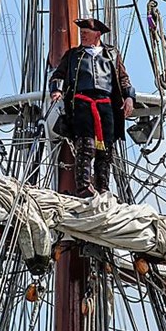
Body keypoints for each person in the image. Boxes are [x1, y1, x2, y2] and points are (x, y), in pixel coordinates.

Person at [49, 18, 135, 197]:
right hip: (82, 102)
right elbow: (59, 74)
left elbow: (123, 79)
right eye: (81, 33)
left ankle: (102, 186)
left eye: (86, 33)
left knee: (106, 148)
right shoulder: (73, 55)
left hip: (106, 104)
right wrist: (56, 90)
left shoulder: (111, 54)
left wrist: (129, 97)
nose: (83, 36)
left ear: (97, 34)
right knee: (85, 144)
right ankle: (83, 186)